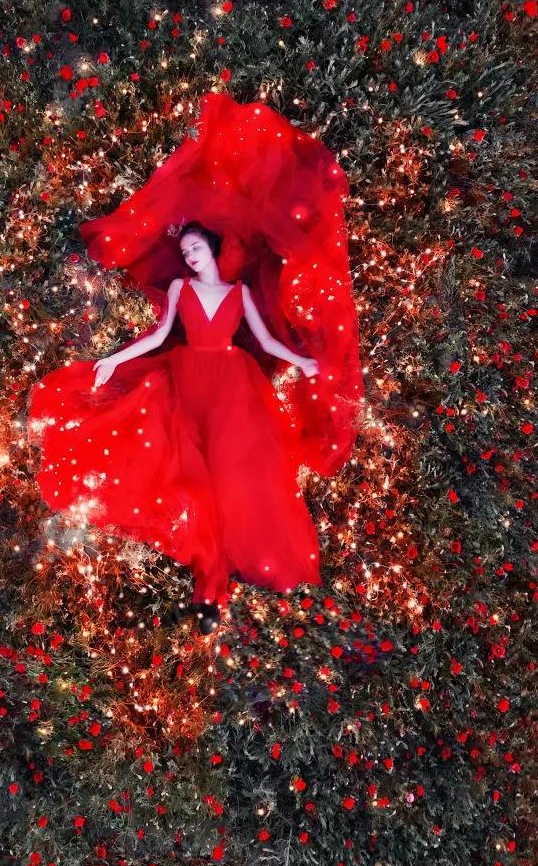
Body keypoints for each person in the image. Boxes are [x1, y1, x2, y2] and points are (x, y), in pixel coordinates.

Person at [27, 91, 364, 633]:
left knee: (236, 473)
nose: (189, 256)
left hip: (232, 380)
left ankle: (219, 582)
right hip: (186, 375)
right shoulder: (181, 289)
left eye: (196, 249)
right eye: (184, 253)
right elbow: (160, 334)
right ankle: (211, 581)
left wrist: (302, 362)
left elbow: (265, 340)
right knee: (192, 474)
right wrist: (113, 360)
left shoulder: (238, 293)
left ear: (211, 247)